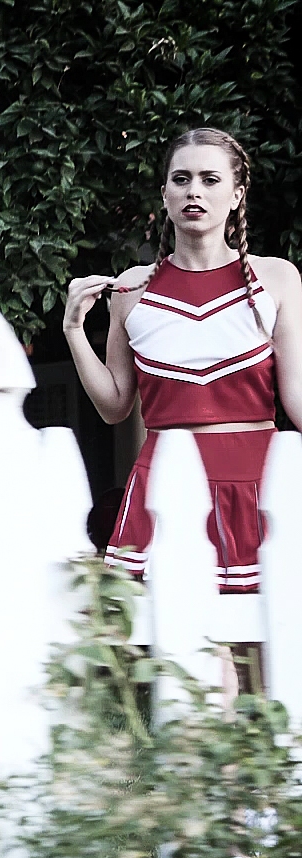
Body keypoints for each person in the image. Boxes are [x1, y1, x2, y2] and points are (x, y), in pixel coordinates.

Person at [64, 128, 302, 596]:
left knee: (266, 632)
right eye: (182, 179)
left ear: (237, 195)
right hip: (162, 484)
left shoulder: (275, 277)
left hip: (258, 481)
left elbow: (295, 396)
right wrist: (73, 329)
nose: (194, 191)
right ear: (165, 194)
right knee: (170, 632)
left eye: (210, 179)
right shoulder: (131, 290)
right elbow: (115, 406)